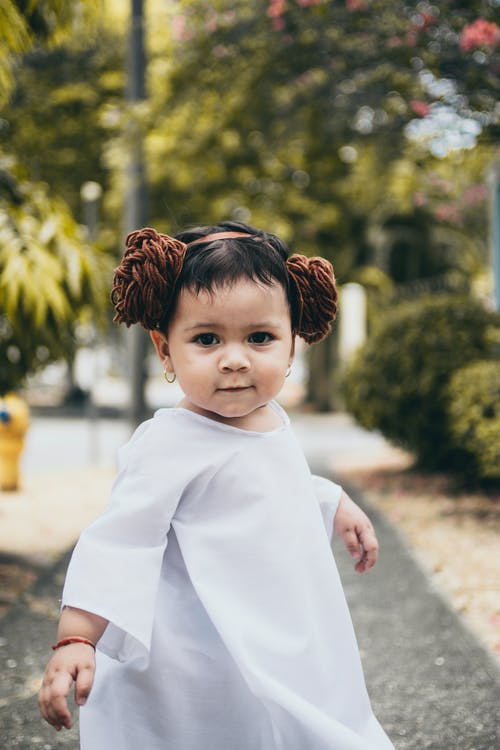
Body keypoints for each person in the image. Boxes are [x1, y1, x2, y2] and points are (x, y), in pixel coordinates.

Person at [38, 221, 395, 749]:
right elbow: (119, 541)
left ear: (293, 344)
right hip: (193, 645)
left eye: (260, 337)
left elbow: (268, 479)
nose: (234, 358)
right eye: (207, 339)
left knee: (277, 714)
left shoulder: (268, 416)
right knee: (207, 727)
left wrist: (331, 501)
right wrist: (77, 636)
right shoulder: (170, 444)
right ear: (164, 349)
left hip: (267, 622)